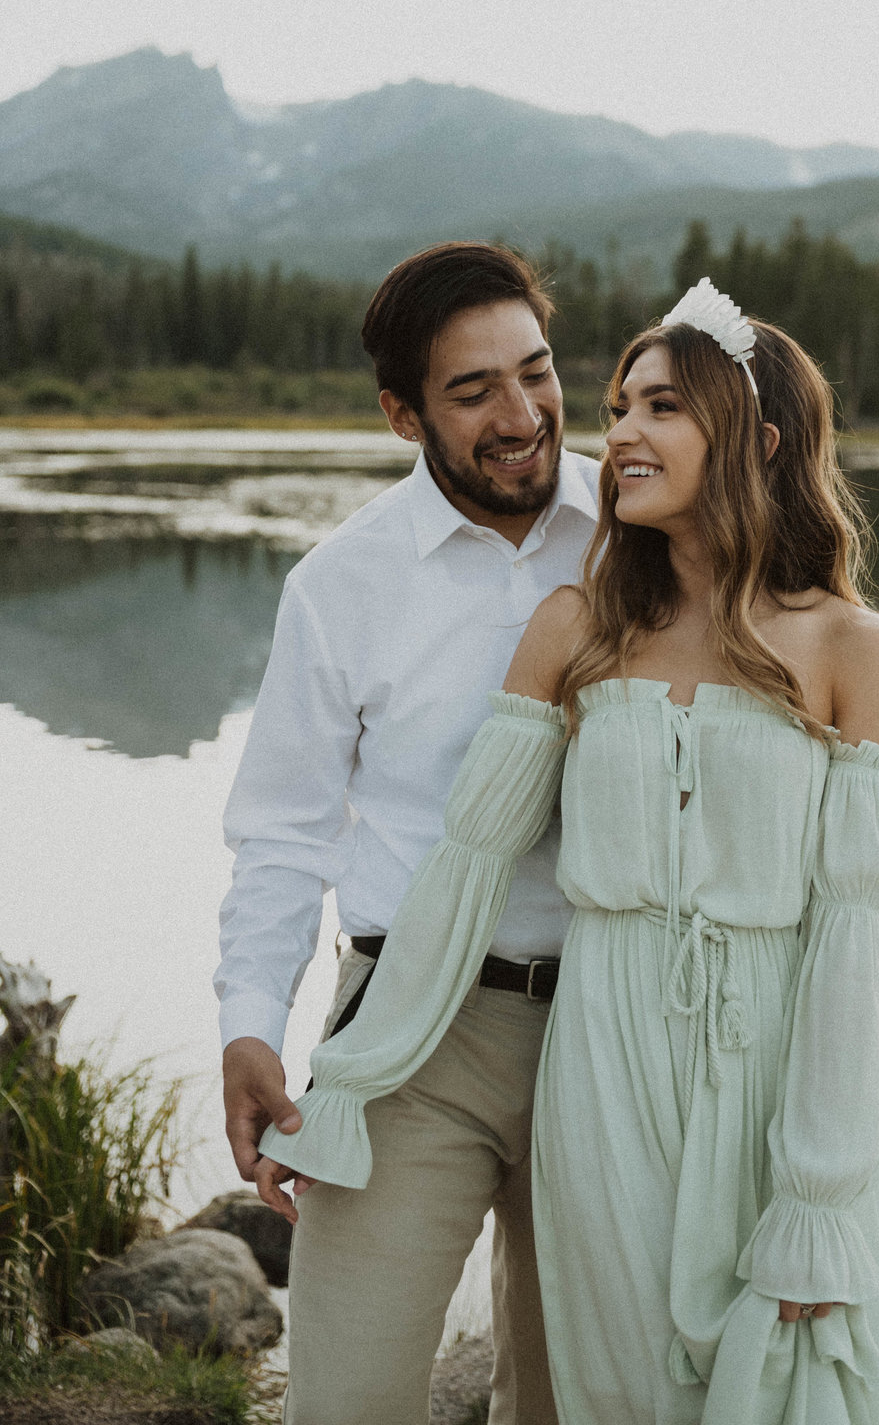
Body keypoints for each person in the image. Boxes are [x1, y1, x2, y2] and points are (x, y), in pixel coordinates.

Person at [259, 279, 879, 1425]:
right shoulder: (578, 626)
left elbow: (845, 945)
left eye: (660, 408)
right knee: (618, 1390)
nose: (617, 431)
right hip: (602, 1066)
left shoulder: (853, 646)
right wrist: (351, 1080)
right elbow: (466, 870)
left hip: (767, 1064)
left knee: (807, 1388)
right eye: (620, 405)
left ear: (758, 441)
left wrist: (820, 1186)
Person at [214, 241, 599, 1425]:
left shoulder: (648, 534)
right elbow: (283, 831)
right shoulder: (342, 583)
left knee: (578, 1402)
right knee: (346, 1398)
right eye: (473, 390)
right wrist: (249, 1024)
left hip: (614, 1022)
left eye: (534, 373)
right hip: (408, 1039)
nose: (522, 414)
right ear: (402, 413)